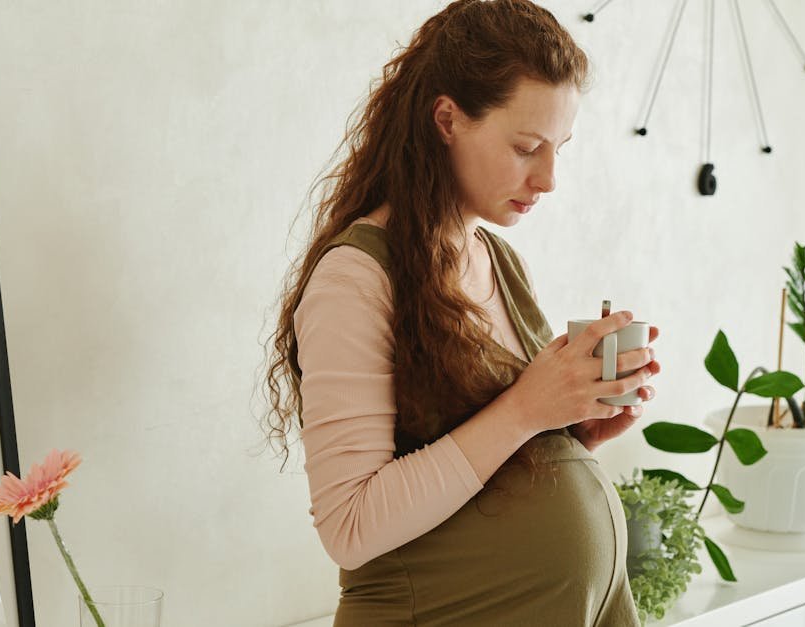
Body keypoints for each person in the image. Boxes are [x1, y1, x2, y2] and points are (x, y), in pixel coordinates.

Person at [262, 1, 661, 624]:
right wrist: (528, 409)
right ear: (447, 119)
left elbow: (481, 460)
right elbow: (350, 525)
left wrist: (569, 430)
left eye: (559, 148)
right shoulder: (356, 279)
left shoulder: (498, 260)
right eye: (527, 147)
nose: (550, 178)